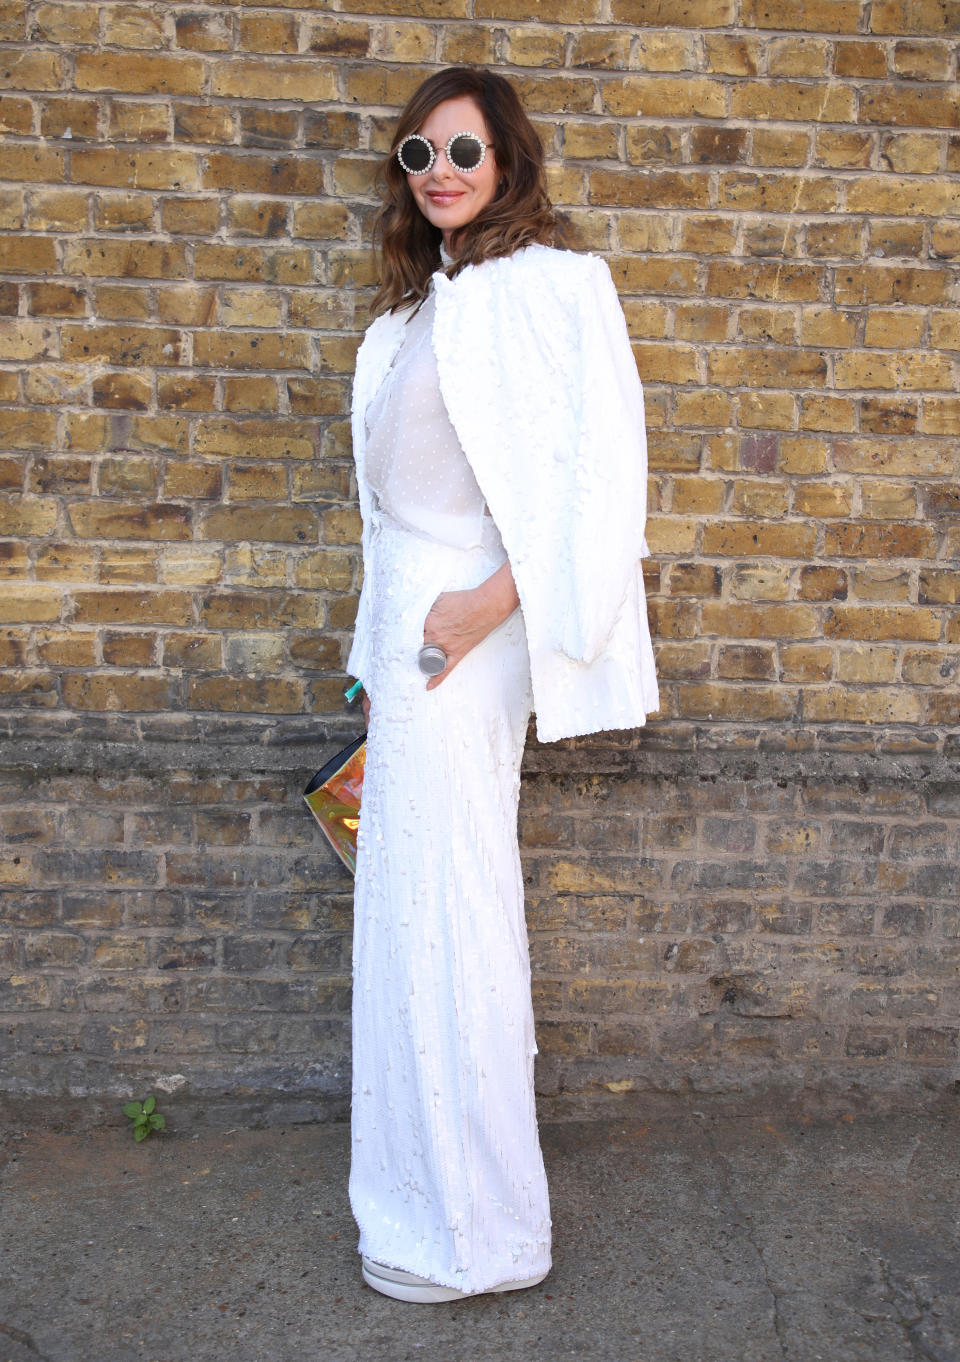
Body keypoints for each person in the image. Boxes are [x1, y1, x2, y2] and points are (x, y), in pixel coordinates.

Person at [345, 66, 659, 1304]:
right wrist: (380, 649)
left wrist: (483, 607)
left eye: (463, 149)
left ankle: (476, 1231)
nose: (442, 174)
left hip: (469, 640)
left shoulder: (555, 287)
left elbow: (601, 475)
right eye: (419, 156)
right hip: (408, 649)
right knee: (406, 915)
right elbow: (388, 505)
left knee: (453, 912)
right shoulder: (413, 313)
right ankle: (417, 1199)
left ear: (509, 157)